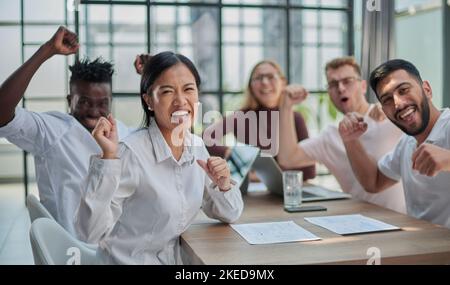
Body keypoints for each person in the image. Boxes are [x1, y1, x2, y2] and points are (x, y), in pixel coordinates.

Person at [75, 51, 244, 265]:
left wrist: (224, 185)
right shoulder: (132, 152)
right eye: (167, 92)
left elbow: (231, 213)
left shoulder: (196, 146)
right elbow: (89, 233)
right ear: (148, 101)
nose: (181, 101)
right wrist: (108, 159)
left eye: (189, 89)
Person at [0, 26, 130, 235]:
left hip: (115, 243)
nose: (95, 111)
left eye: (103, 103)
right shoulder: (53, 129)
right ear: (70, 100)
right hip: (72, 246)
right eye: (85, 102)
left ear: (111, 102)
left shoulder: (123, 132)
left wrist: (154, 74)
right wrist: (46, 50)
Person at [277, 57, 406, 213]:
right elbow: (287, 158)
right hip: (356, 222)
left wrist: (389, 106)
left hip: (401, 220)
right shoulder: (330, 136)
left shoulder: (389, 118)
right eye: (333, 84)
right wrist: (285, 106)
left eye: (348, 81)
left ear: (363, 86)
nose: (340, 88)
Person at [339, 59, 450, 228]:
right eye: (387, 99)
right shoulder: (406, 143)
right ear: (384, 111)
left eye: (403, 90)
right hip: (422, 245)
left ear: (426, 89)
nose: (398, 103)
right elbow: (374, 182)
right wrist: (350, 140)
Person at [203, 60, 315, 181]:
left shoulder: (295, 118)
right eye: (258, 78)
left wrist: (264, 176)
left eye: (271, 77)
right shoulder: (241, 116)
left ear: (283, 82)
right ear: (251, 86)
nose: (265, 82)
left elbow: (309, 171)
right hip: (252, 193)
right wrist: (230, 153)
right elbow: (206, 137)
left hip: (287, 191)